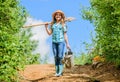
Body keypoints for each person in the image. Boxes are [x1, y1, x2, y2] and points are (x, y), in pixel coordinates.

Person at [45, 10, 70, 77]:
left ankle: (60, 72)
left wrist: (67, 44)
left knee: (60, 56)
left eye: (59, 15)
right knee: (56, 56)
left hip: (61, 42)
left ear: (61, 16)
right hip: (54, 42)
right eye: (56, 15)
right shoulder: (52, 24)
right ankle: (57, 71)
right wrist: (46, 27)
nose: (58, 16)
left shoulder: (63, 24)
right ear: (54, 16)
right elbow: (49, 33)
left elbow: (65, 34)